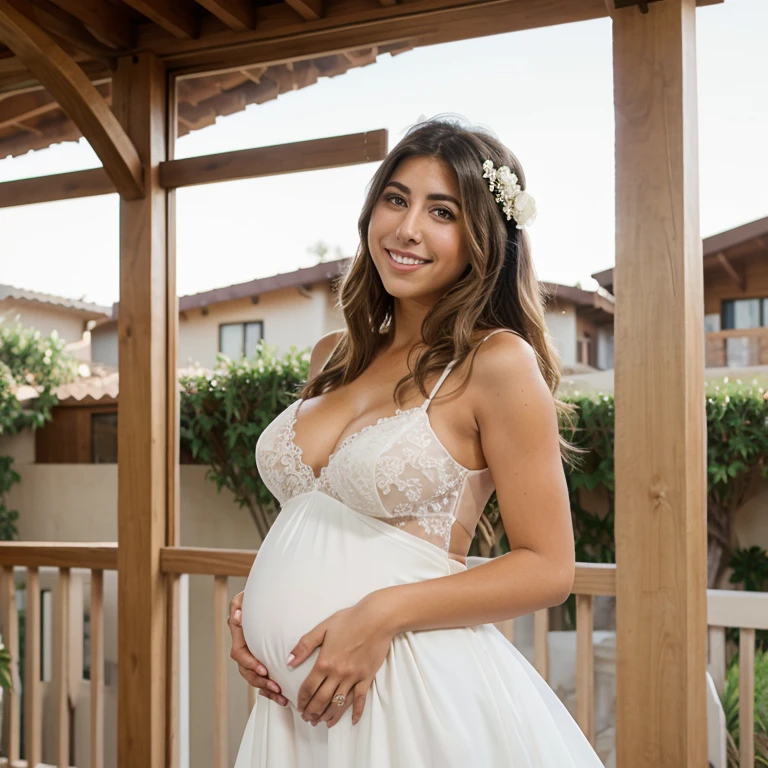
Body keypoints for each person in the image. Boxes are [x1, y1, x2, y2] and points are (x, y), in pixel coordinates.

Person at [228, 116, 604, 767]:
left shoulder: (497, 363)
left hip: (409, 696)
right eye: (396, 199)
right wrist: (252, 613)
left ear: (482, 237)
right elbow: (315, 520)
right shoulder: (333, 356)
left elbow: (548, 567)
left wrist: (381, 612)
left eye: (442, 211)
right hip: (294, 711)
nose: (407, 228)